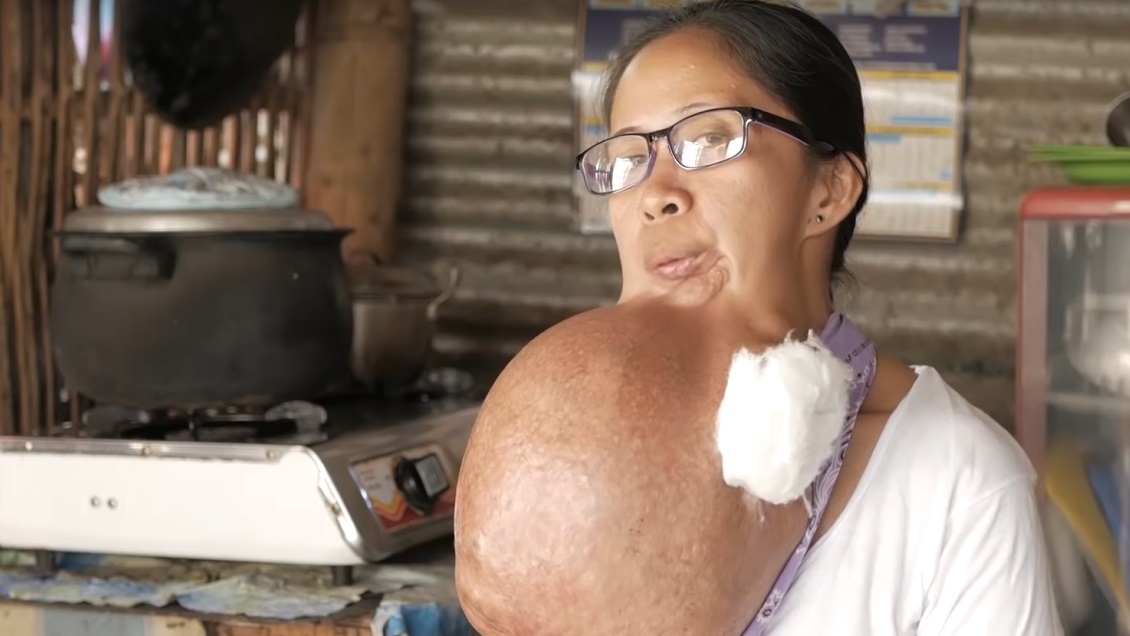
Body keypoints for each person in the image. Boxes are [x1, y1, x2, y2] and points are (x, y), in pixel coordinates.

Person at [454, 1, 1064, 634]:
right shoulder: (582, 433)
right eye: (628, 159)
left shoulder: (960, 478)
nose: (655, 195)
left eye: (709, 139)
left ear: (828, 190)